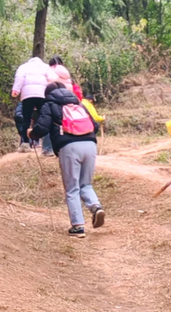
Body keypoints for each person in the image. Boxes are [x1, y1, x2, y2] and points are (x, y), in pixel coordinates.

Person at [28, 82, 105, 238]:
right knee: (85, 183)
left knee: (72, 188)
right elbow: (95, 126)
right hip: (90, 144)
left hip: (69, 147)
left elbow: (42, 128)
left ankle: (78, 226)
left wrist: (31, 134)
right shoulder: (79, 104)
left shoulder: (49, 104)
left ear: (48, 94)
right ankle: (96, 207)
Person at [11, 56, 57, 153]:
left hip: (27, 96)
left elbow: (19, 78)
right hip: (42, 95)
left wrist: (16, 90)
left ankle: (25, 144)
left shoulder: (23, 67)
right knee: (45, 118)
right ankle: (47, 147)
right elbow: (52, 80)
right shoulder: (46, 67)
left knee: (26, 119)